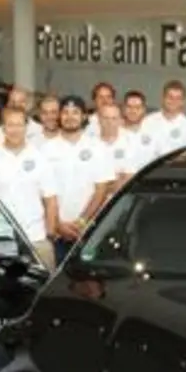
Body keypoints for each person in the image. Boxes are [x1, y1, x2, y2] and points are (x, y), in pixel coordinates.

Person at [0, 106, 58, 267]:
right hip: (1, 237)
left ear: (26, 127)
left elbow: (50, 200)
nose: (14, 130)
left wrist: (49, 235)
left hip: (36, 237)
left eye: (19, 125)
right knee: (6, 288)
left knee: (40, 287)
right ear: (3, 129)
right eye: (10, 125)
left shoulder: (39, 158)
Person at [41, 95, 114, 262]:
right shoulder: (46, 149)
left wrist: (81, 222)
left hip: (90, 229)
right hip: (57, 232)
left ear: (84, 117)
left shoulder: (97, 147)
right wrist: (58, 224)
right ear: (59, 116)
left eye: (75, 112)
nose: (70, 117)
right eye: (65, 112)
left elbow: (101, 189)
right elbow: (42, 193)